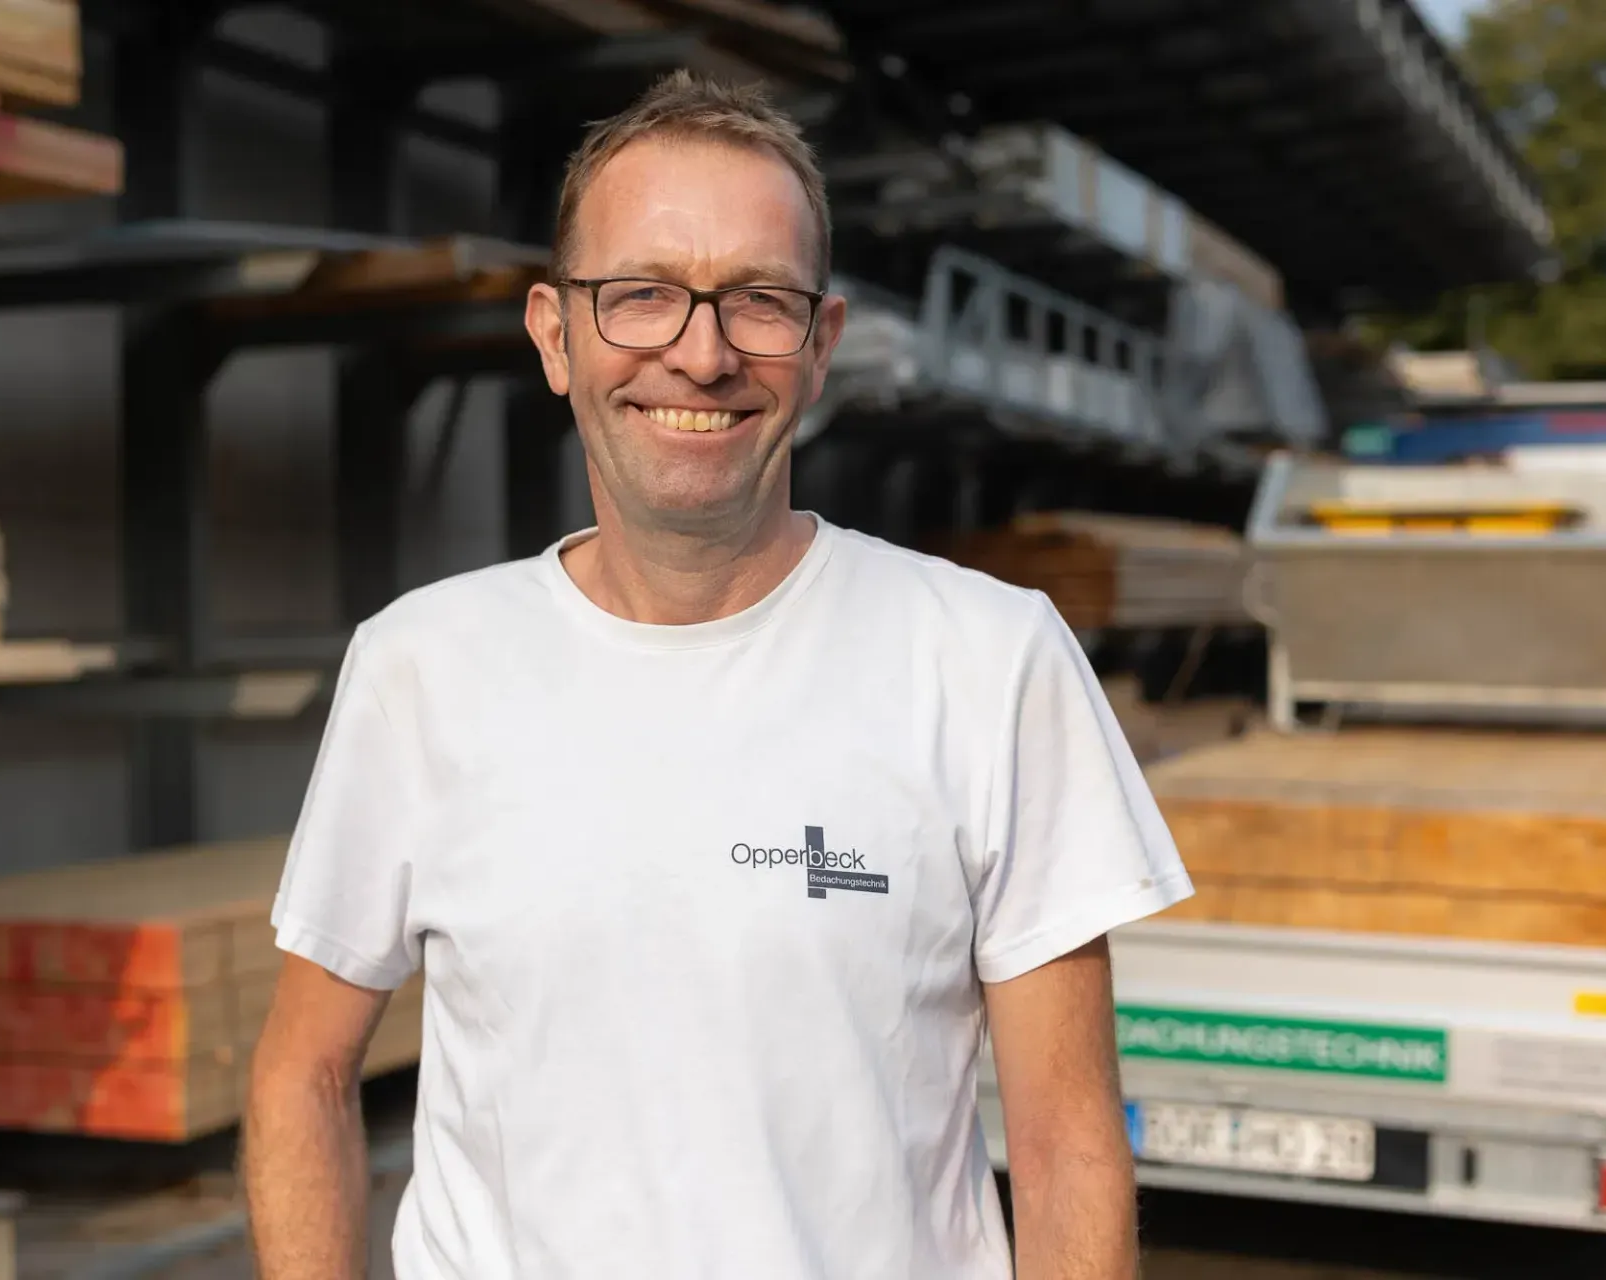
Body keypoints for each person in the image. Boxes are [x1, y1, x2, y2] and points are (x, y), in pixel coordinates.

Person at [243, 69, 1193, 1280]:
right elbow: (301, 1074)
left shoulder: (989, 658)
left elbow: (1067, 1150)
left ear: (822, 343)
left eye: (756, 301)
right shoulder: (421, 666)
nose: (700, 355)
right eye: (640, 296)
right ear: (555, 334)